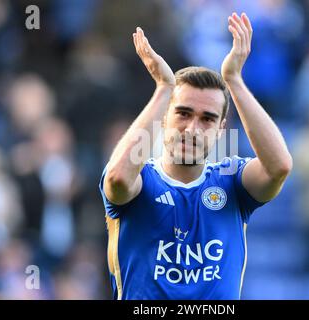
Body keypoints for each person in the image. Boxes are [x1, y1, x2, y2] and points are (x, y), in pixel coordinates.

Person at [99, 12, 292, 299]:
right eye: (183, 113)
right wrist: (163, 89)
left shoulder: (232, 182)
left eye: (207, 119)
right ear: (164, 117)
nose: (192, 128)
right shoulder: (141, 181)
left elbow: (279, 167)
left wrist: (234, 81)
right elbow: (117, 178)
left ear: (220, 129)